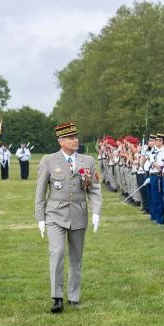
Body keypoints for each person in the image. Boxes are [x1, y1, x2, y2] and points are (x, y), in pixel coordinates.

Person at [35, 122, 103, 313]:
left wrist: (96, 211)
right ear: (61, 141)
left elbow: (94, 190)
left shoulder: (87, 161)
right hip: (55, 214)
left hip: (78, 214)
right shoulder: (48, 161)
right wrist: (40, 218)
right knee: (56, 254)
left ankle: (74, 296)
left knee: (76, 257)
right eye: (71, 138)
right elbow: (40, 193)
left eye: (76, 137)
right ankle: (57, 297)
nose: (76, 141)